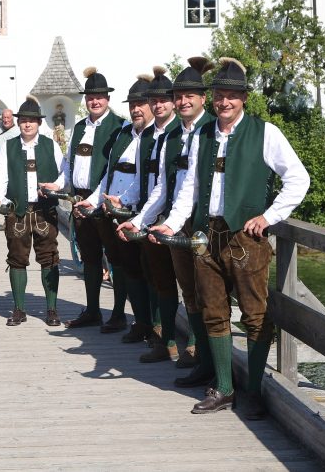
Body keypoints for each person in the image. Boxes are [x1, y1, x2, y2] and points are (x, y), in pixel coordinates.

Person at [163, 58, 309, 417]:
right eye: (218, 95)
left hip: (245, 238)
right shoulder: (203, 134)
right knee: (213, 313)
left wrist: (270, 216)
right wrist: (172, 223)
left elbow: (298, 179)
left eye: (231, 95)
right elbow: (190, 188)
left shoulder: (266, 132)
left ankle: (255, 392)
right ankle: (225, 389)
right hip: (205, 234)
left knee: (254, 315)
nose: (223, 101)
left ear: (243, 99)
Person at [119, 59, 215, 365]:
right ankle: (182, 347)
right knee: (181, 287)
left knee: (207, 292)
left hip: (207, 225)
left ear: (203, 98)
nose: (180, 101)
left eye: (188, 96)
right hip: (174, 223)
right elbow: (164, 187)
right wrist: (138, 220)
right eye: (178, 95)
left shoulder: (213, 130)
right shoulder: (170, 137)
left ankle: (202, 352)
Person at [75, 74, 153, 336]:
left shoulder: (153, 137)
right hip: (110, 207)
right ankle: (138, 322)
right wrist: (93, 199)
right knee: (121, 263)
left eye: (141, 103)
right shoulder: (123, 133)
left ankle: (141, 322)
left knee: (143, 270)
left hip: (139, 212)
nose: (136, 108)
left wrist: (124, 202)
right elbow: (110, 174)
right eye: (132, 103)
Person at [0, 95, 67, 327]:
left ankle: (52, 309)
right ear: (18, 122)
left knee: (49, 258)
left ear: (39, 123)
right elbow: (0, 176)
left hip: (45, 210)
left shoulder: (50, 144)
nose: (27, 124)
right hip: (18, 210)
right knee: (17, 259)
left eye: (31, 120)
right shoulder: (8, 146)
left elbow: (65, 173)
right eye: (23, 120)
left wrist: (57, 186)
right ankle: (19, 309)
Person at [65, 67, 124, 328]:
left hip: (105, 201)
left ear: (108, 99)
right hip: (80, 200)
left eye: (99, 96)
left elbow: (114, 168)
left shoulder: (119, 127)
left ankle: (119, 313)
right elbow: (69, 163)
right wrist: (60, 185)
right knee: (89, 257)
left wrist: (96, 198)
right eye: (90, 96)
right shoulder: (79, 128)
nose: (95, 101)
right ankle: (92, 310)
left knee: (115, 257)